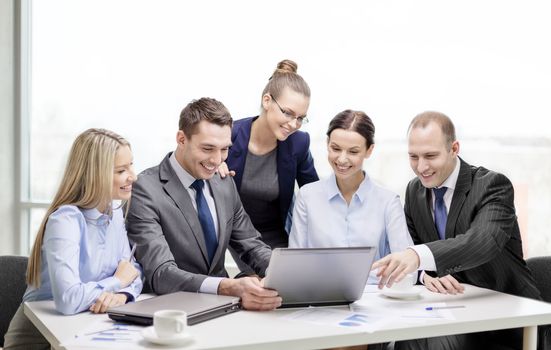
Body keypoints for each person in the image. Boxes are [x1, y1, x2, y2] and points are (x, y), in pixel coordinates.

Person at [372, 111, 540, 350]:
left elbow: (482, 242)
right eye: (413, 157)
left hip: (506, 319)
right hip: (454, 311)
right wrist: (425, 275)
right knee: (403, 338)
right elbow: (419, 247)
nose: (421, 167)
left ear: (454, 148)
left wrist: (417, 256)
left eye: (430, 155)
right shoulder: (414, 192)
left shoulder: (492, 186)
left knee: (432, 342)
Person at [126, 97, 282, 311]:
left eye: (224, 149)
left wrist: (284, 272)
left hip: (226, 310)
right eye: (208, 148)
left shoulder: (224, 183)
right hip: (172, 312)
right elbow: (161, 273)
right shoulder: (145, 189)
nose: (217, 160)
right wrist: (228, 286)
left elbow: (251, 245)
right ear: (181, 139)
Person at [4, 128, 143, 350]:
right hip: (41, 338)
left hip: (85, 326)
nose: (133, 176)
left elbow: (132, 271)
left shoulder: (114, 211)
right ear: (95, 174)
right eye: (121, 170)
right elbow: (68, 300)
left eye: (131, 166)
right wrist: (115, 283)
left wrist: (123, 295)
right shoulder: (66, 220)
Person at [289, 110, 413, 284]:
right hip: (320, 298)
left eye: (353, 152)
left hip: (375, 299)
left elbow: (407, 270)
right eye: (335, 148)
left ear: (369, 150)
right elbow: (295, 263)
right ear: (327, 144)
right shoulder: (307, 196)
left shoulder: (388, 201)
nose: (342, 159)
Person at [219, 59, 319, 275]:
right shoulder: (228, 135)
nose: (293, 124)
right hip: (235, 234)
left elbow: (315, 193)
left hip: (275, 233)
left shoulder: (298, 143)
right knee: (262, 283)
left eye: (301, 118)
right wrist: (212, 170)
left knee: (295, 282)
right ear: (267, 101)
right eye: (288, 113)